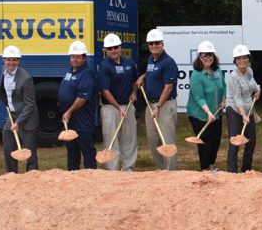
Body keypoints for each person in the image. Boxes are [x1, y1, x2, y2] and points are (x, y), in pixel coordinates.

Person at [136, 29, 178, 171]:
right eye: (151, 43)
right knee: (153, 140)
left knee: (167, 140)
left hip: (164, 105)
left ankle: (170, 171)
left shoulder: (168, 62)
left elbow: (168, 87)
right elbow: (151, 73)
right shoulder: (150, 59)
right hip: (150, 104)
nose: (154, 46)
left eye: (157, 43)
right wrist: (143, 77)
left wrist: (158, 107)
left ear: (162, 44)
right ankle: (161, 170)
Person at [97, 33, 138, 171]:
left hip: (128, 106)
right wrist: (117, 107)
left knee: (129, 138)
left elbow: (134, 82)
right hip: (110, 108)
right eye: (110, 48)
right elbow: (105, 91)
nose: (113, 50)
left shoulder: (130, 63)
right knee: (111, 139)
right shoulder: (104, 66)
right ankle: (113, 170)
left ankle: (129, 168)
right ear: (106, 50)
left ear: (120, 47)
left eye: (116, 47)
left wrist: (134, 93)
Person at [0, 45, 39, 173]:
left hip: (27, 118)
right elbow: (4, 92)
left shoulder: (26, 78)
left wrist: (18, 122)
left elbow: (30, 104)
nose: (11, 63)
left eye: (14, 60)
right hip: (13, 114)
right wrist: (8, 106)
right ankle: (11, 174)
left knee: (29, 150)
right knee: (7, 138)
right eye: (8, 60)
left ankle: (32, 175)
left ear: (19, 61)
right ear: (4, 60)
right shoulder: (4, 71)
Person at [187, 40, 226, 172]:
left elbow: (223, 86)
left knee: (215, 141)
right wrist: (208, 112)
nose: (208, 58)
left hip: (217, 113)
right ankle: (204, 169)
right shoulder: (196, 75)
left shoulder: (218, 71)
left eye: (210, 55)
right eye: (205, 55)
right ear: (200, 57)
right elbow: (198, 97)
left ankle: (211, 166)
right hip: (200, 115)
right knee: (204, 142)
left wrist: (223, 99)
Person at [59, 41, 97, 170]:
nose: (74, 59)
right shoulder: (70, 71)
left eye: (78, 57)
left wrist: (69, 111)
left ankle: (90, 174)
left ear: (84, 58)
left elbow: (82, 98)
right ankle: (72, 175)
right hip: (70, 121)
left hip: (83, 121)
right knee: (72, 150)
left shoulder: (86, 74)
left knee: (87, 149)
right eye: (72, 56)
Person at [226, 44, 261, 173]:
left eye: (244, 58)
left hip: (249, 109)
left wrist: (257, 91)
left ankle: (246, 169)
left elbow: (254, 85)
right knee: (235, 142)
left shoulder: (250, 71)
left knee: (251, 141)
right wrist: (243, 114)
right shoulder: (233, 77)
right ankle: (232, 172)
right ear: (235, 61)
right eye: (238, 58)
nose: (242, 61)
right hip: (235, 110)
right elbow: (237, 98)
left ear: (248, 59)